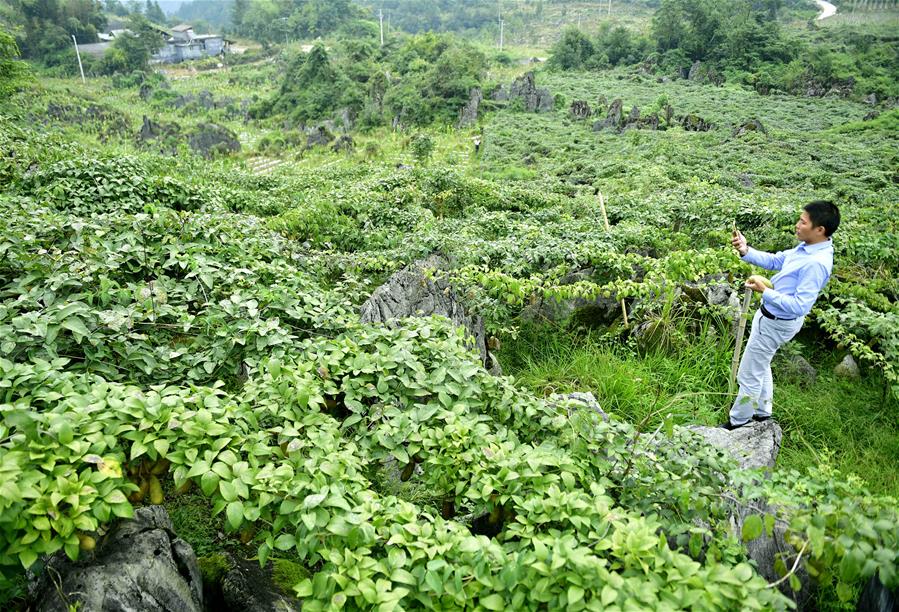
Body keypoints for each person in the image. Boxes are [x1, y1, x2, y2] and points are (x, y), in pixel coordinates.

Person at [722, 201, 840, 430]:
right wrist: (746, 251)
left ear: (820, 230)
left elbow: (799, 306)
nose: (797, 225)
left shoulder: (816, 263)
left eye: (803, 222)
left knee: (748, 374)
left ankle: (738, 422)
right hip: (770, 318)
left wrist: (765, 292)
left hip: (777, 322)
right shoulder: (807, 248)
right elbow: (778, 260)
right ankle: (762, 413)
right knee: (761, 364)